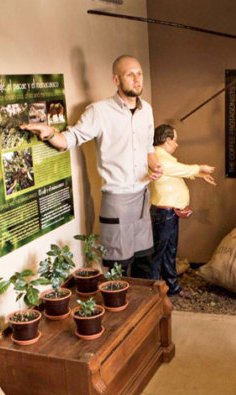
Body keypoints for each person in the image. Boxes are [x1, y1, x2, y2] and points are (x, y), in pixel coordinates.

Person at [21, 55, 162, 277]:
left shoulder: (147, 111)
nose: (137, 79)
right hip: (117, 200)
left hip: (142, 197)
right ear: (116, 80)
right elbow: (71, 138)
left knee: (146, 263)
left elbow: (148, 149)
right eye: (130, 74)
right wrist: (50, 134)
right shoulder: (99, 111)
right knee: (118, 269)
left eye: (139, 73)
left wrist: (156, 166)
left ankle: (149, 311)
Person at [149, 124, 216, 297]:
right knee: (158, 252)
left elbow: (178, 171)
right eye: (175, 140)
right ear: (167, 140)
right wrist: (199, 168)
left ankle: (171, 286)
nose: (177, 144)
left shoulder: (165, 158)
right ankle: (152, 291)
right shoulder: (157, 157)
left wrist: (199, 174)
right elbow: (178, 169)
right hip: (164, 214)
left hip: (170, 214)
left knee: (169, 252)